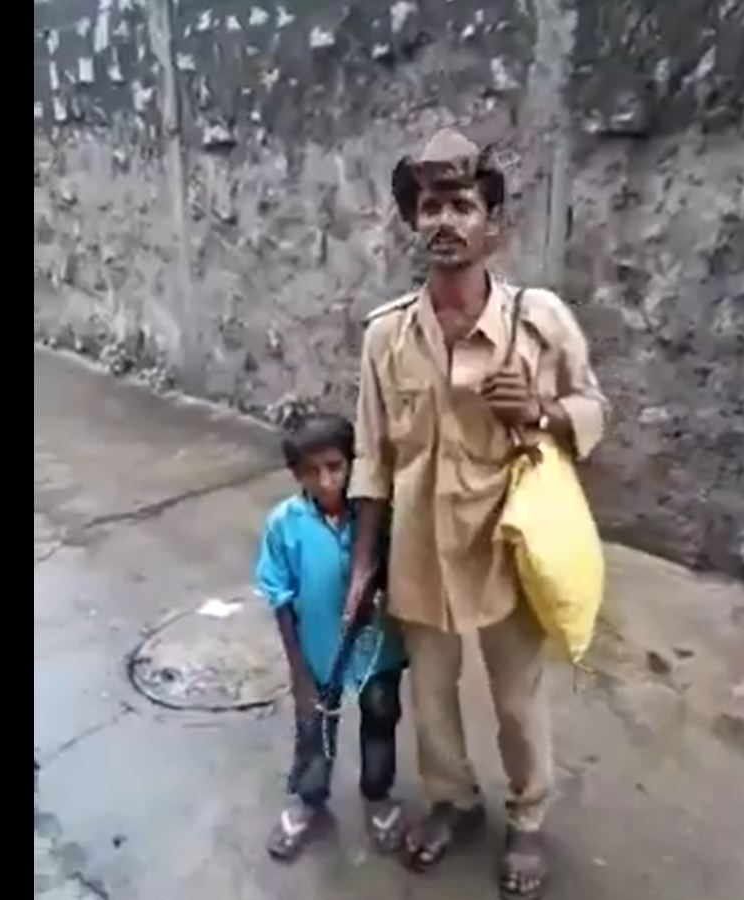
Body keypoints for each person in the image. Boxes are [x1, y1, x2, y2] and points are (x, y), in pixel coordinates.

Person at [342, 129, 608, 899]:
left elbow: (594, 409)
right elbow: (370, 456)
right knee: (430, 696)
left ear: (494, 224)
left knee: (517, 698)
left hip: (507, 542)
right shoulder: (385, 334)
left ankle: (528, 815)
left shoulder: (539, 320)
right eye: (430, 206)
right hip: (421, 545)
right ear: (413, 221)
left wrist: (546, 410)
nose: (444, 221)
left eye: (462, 204)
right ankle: (453, 799)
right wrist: (364, 562)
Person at [254, 412, 408, 861]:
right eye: (311, 471)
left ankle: (378, 796)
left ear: (352, 465)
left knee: (381, 715)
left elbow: (398, 569)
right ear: (296, 474)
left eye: (335, 467)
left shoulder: (377, 514)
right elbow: (279, 597)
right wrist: (298, 671)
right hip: (319, 652)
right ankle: (309, 802)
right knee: (314, 727)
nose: (325, 480)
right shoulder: (283, 524)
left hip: (379, 648)